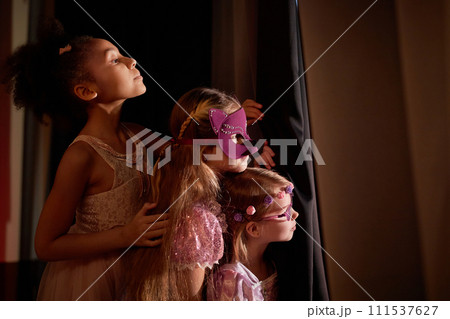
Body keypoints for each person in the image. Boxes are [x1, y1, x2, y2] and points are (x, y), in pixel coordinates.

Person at [2, 19, 168, 300]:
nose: (131, 60)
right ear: (86, 91)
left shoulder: (138, 135)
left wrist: (233, 123)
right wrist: (126, 236)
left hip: (139, 273)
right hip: (94, 281)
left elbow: (192, 152)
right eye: (114, 60)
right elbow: (45, 245)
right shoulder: (82, 156)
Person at [124, 87, 264, 300]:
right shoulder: (198, 221)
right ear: (205, 148)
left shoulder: (197, 201)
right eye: (236, 136)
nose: (248, 144)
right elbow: (190, 301)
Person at [207, 167, 299, 301]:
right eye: (284, 213)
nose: (295, 214)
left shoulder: (274, 263)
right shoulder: (231, 281)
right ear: (254, 229)